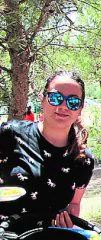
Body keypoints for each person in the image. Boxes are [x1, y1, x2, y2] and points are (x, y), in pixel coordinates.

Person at [0, 71, 95, 228]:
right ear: (43, 100)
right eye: (56, 98)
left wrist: (67, 223)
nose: (63, 106)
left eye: (73, 102)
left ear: (80, 109)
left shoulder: (83, 158)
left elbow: (73, 204)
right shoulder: (10, 134)